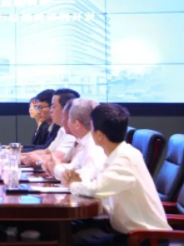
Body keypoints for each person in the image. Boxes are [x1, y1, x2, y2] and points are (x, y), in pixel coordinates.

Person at [66, 104, 170, 246]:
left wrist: (73, 185)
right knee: (70, 229)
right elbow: (98, 185)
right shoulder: (118, 154)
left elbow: (97, 189)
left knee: (74, 240)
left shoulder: (125, 158)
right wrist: (78, 182)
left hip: (145, 239)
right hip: (128, 233)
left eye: (91, 128)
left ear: (99, 135)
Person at [44, 98, 105, 182]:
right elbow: (74, 167)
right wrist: (55, 165)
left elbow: (84, 179)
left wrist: (56, 168)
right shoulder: (84, 140)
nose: (64, 122)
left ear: (77, 124)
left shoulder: (93, 145)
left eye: (68, 118)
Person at [21, 88, 79, 166]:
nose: (51, 110)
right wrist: (20, 156)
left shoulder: (73, 134)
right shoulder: (62, 130)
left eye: (53, 107)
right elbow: (47, 151)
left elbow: (56, 159)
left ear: (66, 109)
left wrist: (27, 159)